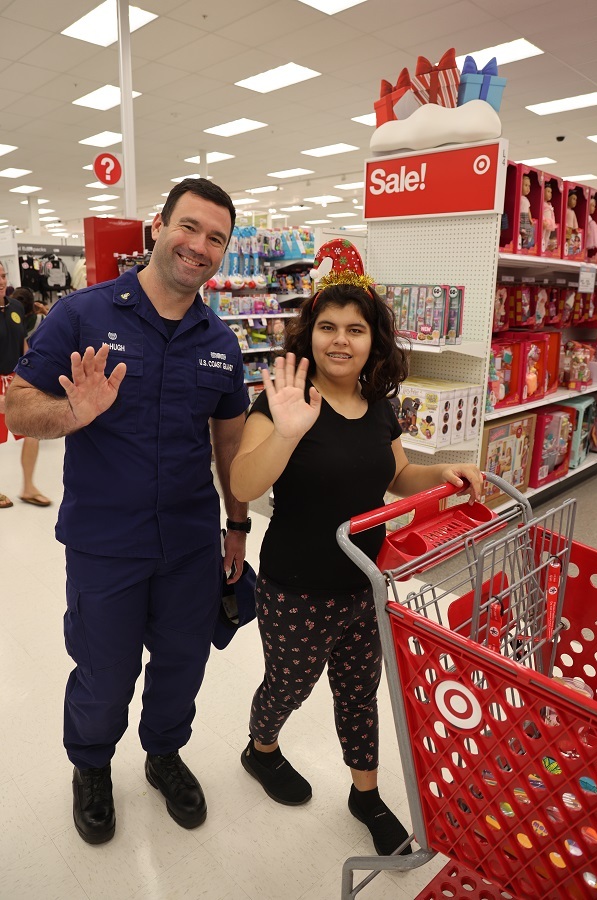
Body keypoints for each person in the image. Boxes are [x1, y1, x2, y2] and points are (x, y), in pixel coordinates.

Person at [5, 178, 250, 844]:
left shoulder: (221, 343)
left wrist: (237, 524)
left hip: (192, 543)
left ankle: (164, 754)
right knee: (105, 670)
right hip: (105, 542)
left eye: (216, 238)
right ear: (157, 227)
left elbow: (229, 445)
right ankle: (90, 766)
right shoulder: (81, 316)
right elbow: (18, 404)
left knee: (181, 663)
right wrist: (71, 413)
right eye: (190, 227)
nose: (199, 246)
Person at [229, 243, 483, 857]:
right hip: (297, 586)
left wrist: (445, 471)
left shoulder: (378, 408)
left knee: (359, 689)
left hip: (366, 582)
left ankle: (365, 795)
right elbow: (242, 484)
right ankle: (261, 749)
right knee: (288, 685)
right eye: (327, 328)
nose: (340, 341)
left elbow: (396, 478)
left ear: (374, 340)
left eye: (355, 329)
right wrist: (287, 432)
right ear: (309, 333)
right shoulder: (283, 401)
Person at [0, 264, 51, 509]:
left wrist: (29, 376)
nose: (0, 280)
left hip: (15, 378)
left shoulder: (16, 307)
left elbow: (23, 344)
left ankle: (28, 487)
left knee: (31, 429)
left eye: (2, 275)